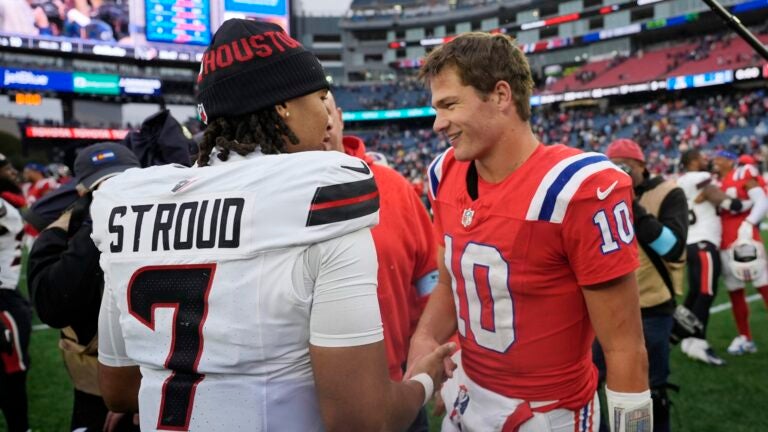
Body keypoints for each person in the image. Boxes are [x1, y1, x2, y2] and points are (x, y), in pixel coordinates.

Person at [93, 19, 455, 432]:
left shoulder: (132, 203)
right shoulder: (321, 200)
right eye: (321, 97)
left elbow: (119, 389)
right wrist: (424, 379)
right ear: (284, 106)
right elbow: (361, 417)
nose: (328, 116)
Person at [407, 32, 650, 432]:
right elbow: (452, 279)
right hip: (467, 391)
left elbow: (625, 350)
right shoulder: (443, 173)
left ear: (501, 95)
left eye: (450, 104)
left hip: (545, 413)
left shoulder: (579, 189)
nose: (438, 123)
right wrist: (425, 337)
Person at [325, 91, 439, 431]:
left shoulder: (393, 187)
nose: (325, 121)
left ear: (341, 116)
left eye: (328, 108)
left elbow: (430, 277)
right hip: (306, 398)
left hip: (397, 384)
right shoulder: (276, 196)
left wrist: (425, 345)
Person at [28, 142, 141, 432]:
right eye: (103, 187)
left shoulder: (161, 222)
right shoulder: (64, 232)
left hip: (154, 382)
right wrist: (94, 230)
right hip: (95, 387)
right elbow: (53, 307)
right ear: (82, 193)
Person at [605, 138, 688, 432]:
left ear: (641, 165)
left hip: (652, 307)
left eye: (624, 166)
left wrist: (632, 205)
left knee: (650, 390)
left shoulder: (669, 193)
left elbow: (673, 248)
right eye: (612, 166)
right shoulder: (603, 194)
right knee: (592, 382)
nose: (619, 172)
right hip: (608, 309)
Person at [674, 149, 739, 365]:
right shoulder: (700, 177)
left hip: (691, 242)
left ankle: (682, 335)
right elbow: (715, 195)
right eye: (702, 158)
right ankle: (698, 341)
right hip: (704, 242)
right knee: (706, 292)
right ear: (693, 162)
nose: (706, 161)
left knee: (695, 292)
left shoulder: (680, 181)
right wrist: (736, 204)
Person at [713, 149, 768, 355]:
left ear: (729, 159)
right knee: (735, 291)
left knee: (763, 285)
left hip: (745, 239)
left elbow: (762, 201)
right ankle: (745, 337)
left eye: (719, 158)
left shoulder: (743, 172)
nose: (715, 162)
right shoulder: (717, 182)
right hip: (725, 242)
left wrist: (748, 223)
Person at [0, 163, 30, 432]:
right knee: (11, 375)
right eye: (3, 166)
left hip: (10, 295)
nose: (11, 169)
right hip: (2, 301)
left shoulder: (8, 202)